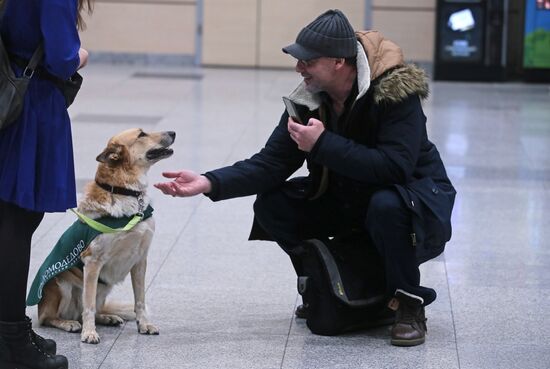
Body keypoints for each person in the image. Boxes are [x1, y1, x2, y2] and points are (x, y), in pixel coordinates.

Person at [155, 9, 456, 347]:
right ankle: (323, 282)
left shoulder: (395, 93)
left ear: (339, 62)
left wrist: (324, 143)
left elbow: (394, 168)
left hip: (414, 207)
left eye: (308, 61)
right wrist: (209, 182)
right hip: (352, 198)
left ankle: (409, 304)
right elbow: (271, 164)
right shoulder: (308, 100)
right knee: (274, 204)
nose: (299, 68)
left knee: (386, 204)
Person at [0, 0, 93, 367]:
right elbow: (61, 56)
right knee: (18, 221)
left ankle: (10, 331)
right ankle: (11, 340)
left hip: (7, 92)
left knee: (7, 216)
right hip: (29, 103)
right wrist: (80, 55)